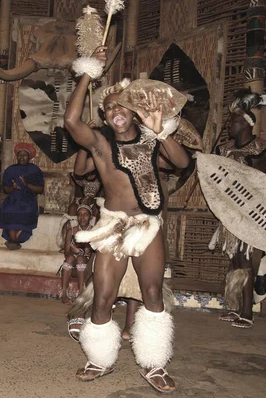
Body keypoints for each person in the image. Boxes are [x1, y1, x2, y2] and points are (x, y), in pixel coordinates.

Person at [63, 46, 190, 392]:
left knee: (152, 293)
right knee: (104, 295)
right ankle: (99, 358)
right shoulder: (101, 147)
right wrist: (90, 70)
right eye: (109, 108)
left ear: (133, 112)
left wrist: (162, 130)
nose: (115, 111)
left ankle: (153, 364)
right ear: (104, 117)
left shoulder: (152, 142)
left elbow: (180, 163)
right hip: (113, 227)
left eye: (121, 106)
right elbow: (71, 122)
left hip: (147, 228)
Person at [212, 89, 266, 329]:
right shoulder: (224, 149)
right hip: (230, 212)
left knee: (246, 260)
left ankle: (248, 313)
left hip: (252, 213)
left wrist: (261, 198)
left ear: (247, 124)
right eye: (230, 122)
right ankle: (235, 308)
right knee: (234, 260)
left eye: (235, 122)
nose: (230, 126)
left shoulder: (262, 148)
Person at [0, 143, 44, 250]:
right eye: (20, 154)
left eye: (25, 155)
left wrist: (27, 184)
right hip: (13, 200)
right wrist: (13, 188)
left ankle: (13, 241)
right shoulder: (10, 170)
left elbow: (40, 189)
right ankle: (14, 240)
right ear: (16, 156)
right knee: (9, 210)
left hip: (28, 200)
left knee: (26, 212)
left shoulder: (35, 169)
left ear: (29, 157)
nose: (22, 157)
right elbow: (5, 189)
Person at [59, 204, 93, 304]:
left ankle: (81, 293)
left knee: (80, 259)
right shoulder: (72, 231)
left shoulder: (94, 231)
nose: (82, 217)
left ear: (90, 217)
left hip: (87, 269)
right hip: (73, 268)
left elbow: (94, 254)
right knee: (70, 258)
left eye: (85, 214)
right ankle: (64, 293)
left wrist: (86, 251)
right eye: (80, 214)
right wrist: (73, 251)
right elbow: (66, 252)